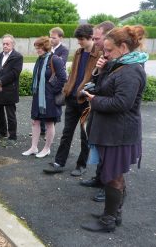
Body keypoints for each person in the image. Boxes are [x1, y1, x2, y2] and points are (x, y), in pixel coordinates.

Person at [81, 25, 148, 232]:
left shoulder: (131, 71)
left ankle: (108, 221)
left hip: (119, 134)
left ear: (124, 47)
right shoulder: (119, 66)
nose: (105, 53)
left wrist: (95, 100)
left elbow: (122, 103)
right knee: (114, 174)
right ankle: (113, 214)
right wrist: (101, 70)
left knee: (113, 176)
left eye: (109, 50)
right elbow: (104, 87)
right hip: (113, 132)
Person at [43, 24, 101, 176]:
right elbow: (73, 73)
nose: (79, 42)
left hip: (86, 101)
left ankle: (81, 165)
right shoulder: (78, 53)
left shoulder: (100, 55)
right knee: (66, 133)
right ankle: (58, 162)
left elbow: (98, 79)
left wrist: (87, 92)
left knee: (84, 135)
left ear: (90, 37)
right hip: (71, 99)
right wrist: (67, 89)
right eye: (78, 39)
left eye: (81, 39)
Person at [80, 21, 115, 203]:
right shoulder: (103, 56)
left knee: (109, 153)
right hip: (99, 110)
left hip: (111, 115)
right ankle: (99, 179)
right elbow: (98, 83)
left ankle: (107, 186)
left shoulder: (118, 61)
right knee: (99, 147)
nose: (95, 41)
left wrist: (105, 68)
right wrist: (99, 70)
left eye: (97, 38)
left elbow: (112, 92)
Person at [22, 36, 66, 158]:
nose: (37, 50)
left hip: (49, 98)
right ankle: (33, 147)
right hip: (38, 97)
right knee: (35, 122)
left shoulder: (55, 59)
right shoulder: (40, 59)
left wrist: (53, 90)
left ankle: (47, 148)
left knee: (49, 123)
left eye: (39, 48)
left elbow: (63, 78)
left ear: (46, 47)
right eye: (36, 48)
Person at [32, 27, 70, 138]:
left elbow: (61, 67)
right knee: (39, 116)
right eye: (50, 37)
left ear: (60, 38)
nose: (51, 39)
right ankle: (41, 131)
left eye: (54, 37)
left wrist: (55, 89)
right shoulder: (42, 57)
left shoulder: (62, 50)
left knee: (49, 118)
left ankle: (47, 135)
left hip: (52, 85)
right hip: (43, 88)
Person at [0, 34, 23, 147]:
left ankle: (12, 136)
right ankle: (2, 132)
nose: (5, 46)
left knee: (10, 115)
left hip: (9, 91)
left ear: (13, 44)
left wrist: (0, 82)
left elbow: (14, 73)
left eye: (7, 44)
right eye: (3, 44)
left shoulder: (17, 57)